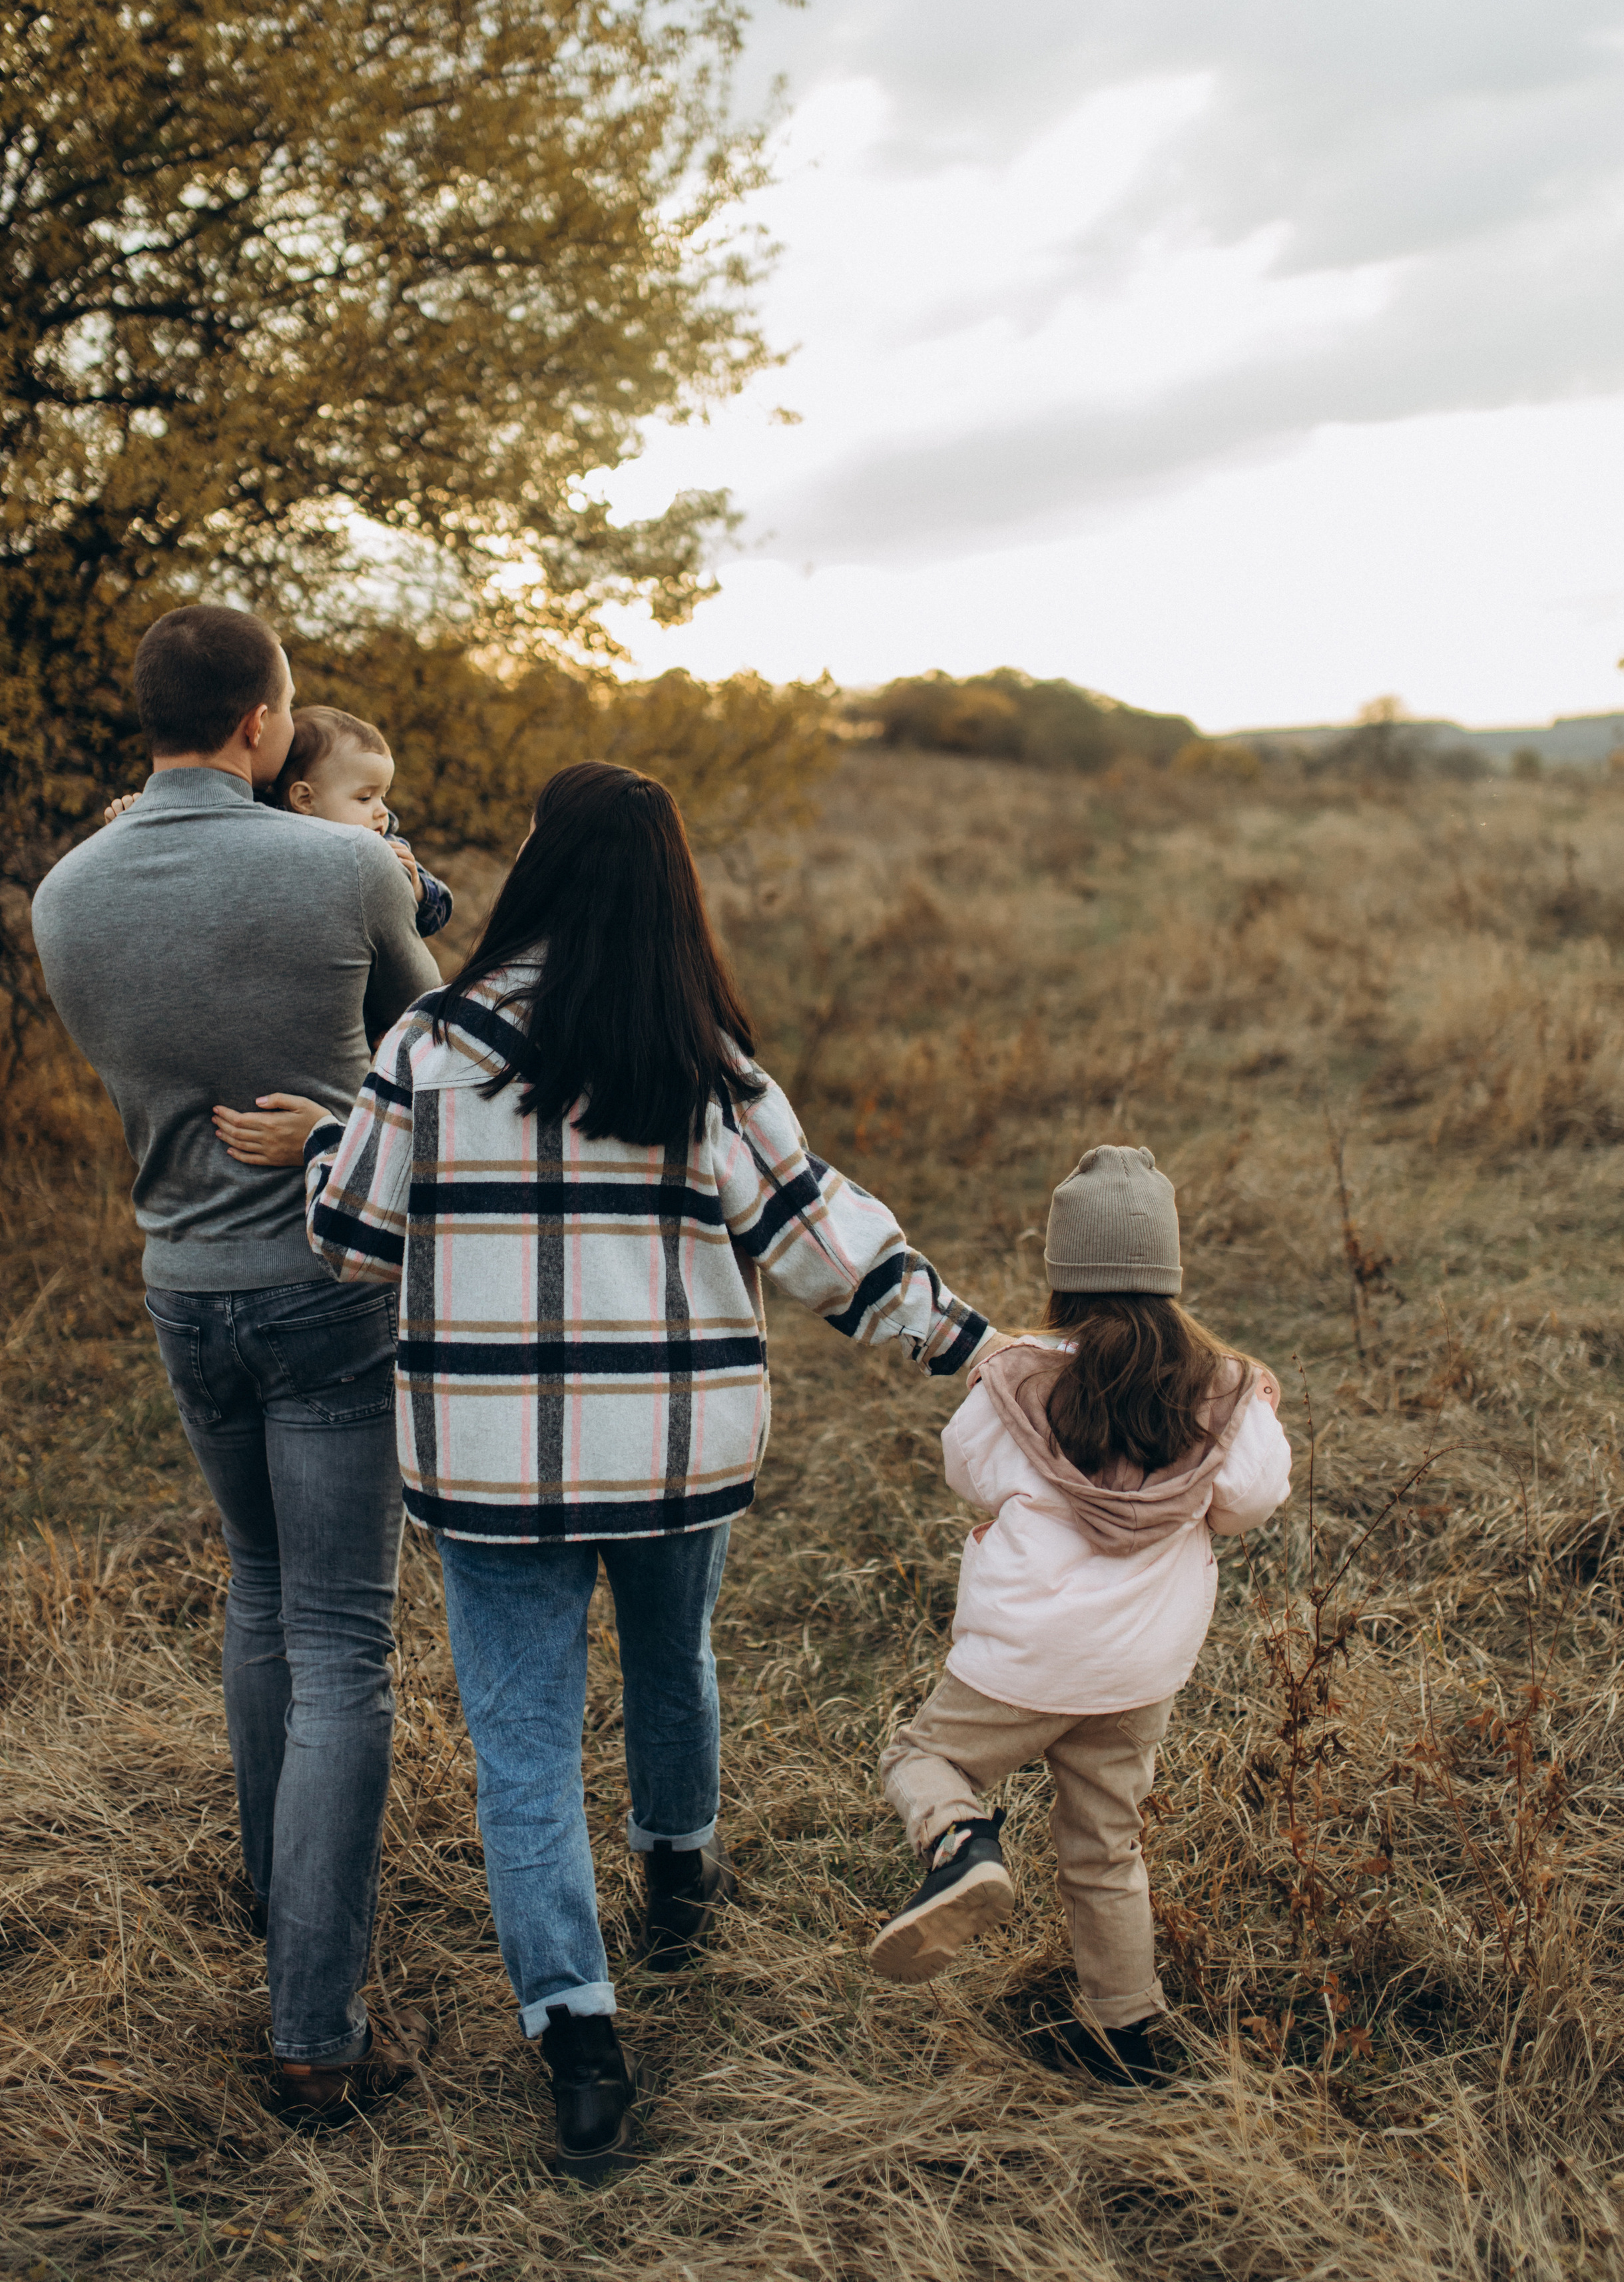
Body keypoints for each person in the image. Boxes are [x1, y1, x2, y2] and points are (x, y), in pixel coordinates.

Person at [212, 760, 1005, 2181]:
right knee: (672, 1658)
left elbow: (352, 1243)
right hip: (672, 1450)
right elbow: (822, 1243)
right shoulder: (697, 1056)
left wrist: (333, 1146)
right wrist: (968, 1343)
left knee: (522, 1751)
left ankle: (579, 2049)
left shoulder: (432, 1044)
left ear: (540, 868)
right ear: (665, 890)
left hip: (490, 1467)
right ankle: (680, 1880)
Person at [29, 604, 442, 2129]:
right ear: (265, 724)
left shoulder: (63, 896)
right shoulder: (343, 868)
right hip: (330, 1288)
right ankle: (315, 2028)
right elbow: (445, 1062)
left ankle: (290, 1905)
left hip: (182, 1290)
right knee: (340, 1642)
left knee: (261, 1591)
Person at [869, 1144, 1290, 2087]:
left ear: (1060, 1273)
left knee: (922, 1759)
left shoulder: (1019, 1378)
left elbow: (968, 1470)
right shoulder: (1222, 1388)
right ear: (1168, 1270)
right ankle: (1126, 2037)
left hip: (1023, 1658)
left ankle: (961, 1843)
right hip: (1139, 1669)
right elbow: (1253, 1498)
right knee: (1105, 1846)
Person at [104, 701, 453, 940]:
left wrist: (416, 890)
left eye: (383, 796)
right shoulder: (256, 826)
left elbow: (439, 910)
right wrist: (143, 819)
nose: (382, 812)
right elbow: (196, 846)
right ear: (305, 799)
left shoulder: (386, 847)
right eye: (365, 798)